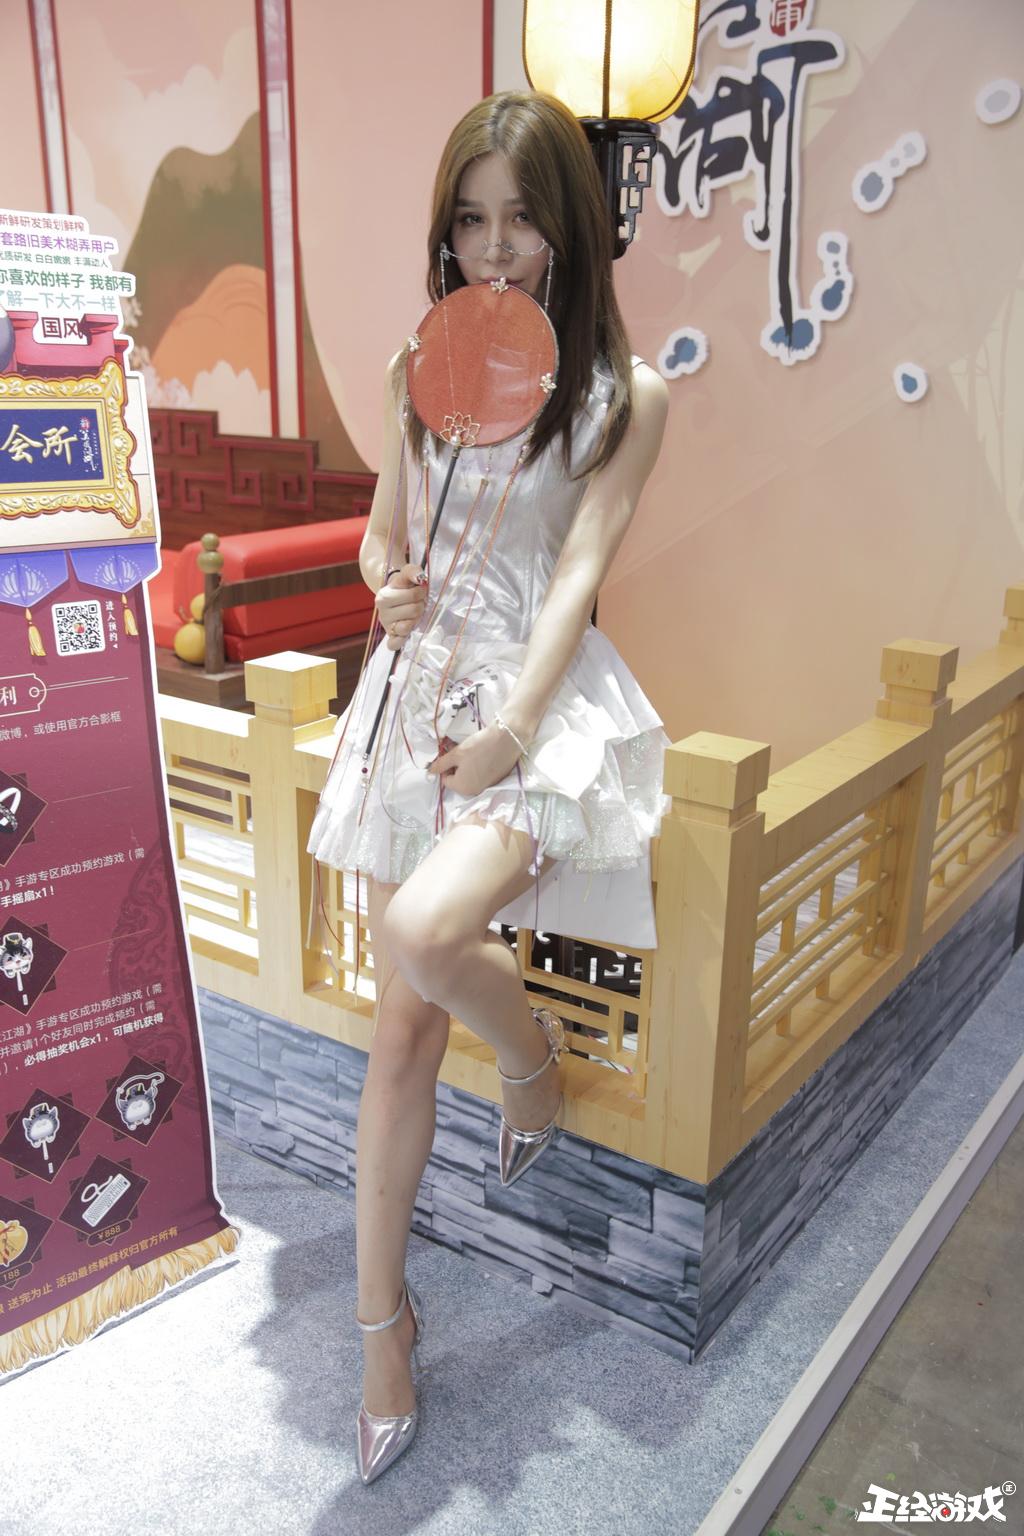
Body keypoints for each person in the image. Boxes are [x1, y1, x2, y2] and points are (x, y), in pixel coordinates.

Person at [306, 89, 671, 1486]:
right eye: (471, 220)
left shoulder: (626, 397)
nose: (496, 247)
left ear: (569, 224)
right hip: (415, 708)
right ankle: (381, 1332)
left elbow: (578, 575)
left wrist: (517, 731)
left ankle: (530, 1064)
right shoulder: (421, 359)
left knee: (421, 933)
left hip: (538, 711)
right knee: (397, 1039)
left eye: (522, 217)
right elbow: (385, 533)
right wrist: (383, 586)